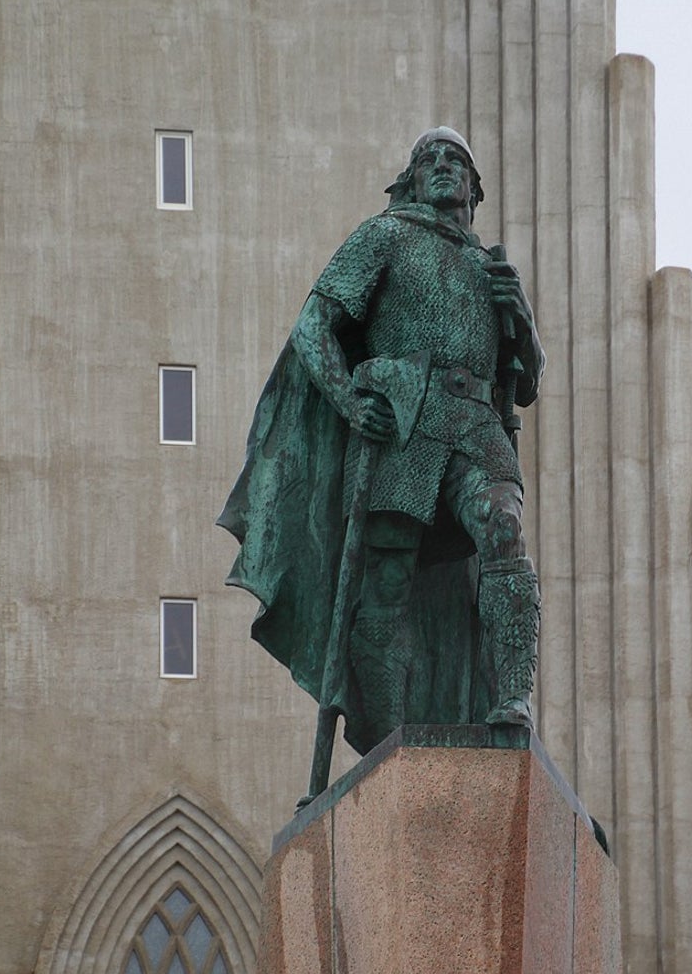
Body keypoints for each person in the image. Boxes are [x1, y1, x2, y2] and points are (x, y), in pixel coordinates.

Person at [218, 127, 545, 758]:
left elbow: (527, 382)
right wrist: (348, 400)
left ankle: (512, 700)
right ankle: (389, 739)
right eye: (430, 159)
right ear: (414, 178)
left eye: (456, 161)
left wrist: (524, 323)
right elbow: (314, 327)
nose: (443, 167)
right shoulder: (385, 235)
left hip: (477, 424)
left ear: (473, 191)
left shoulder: (491, 267)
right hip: (406, 422)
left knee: (505, 528)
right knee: (388, 579)